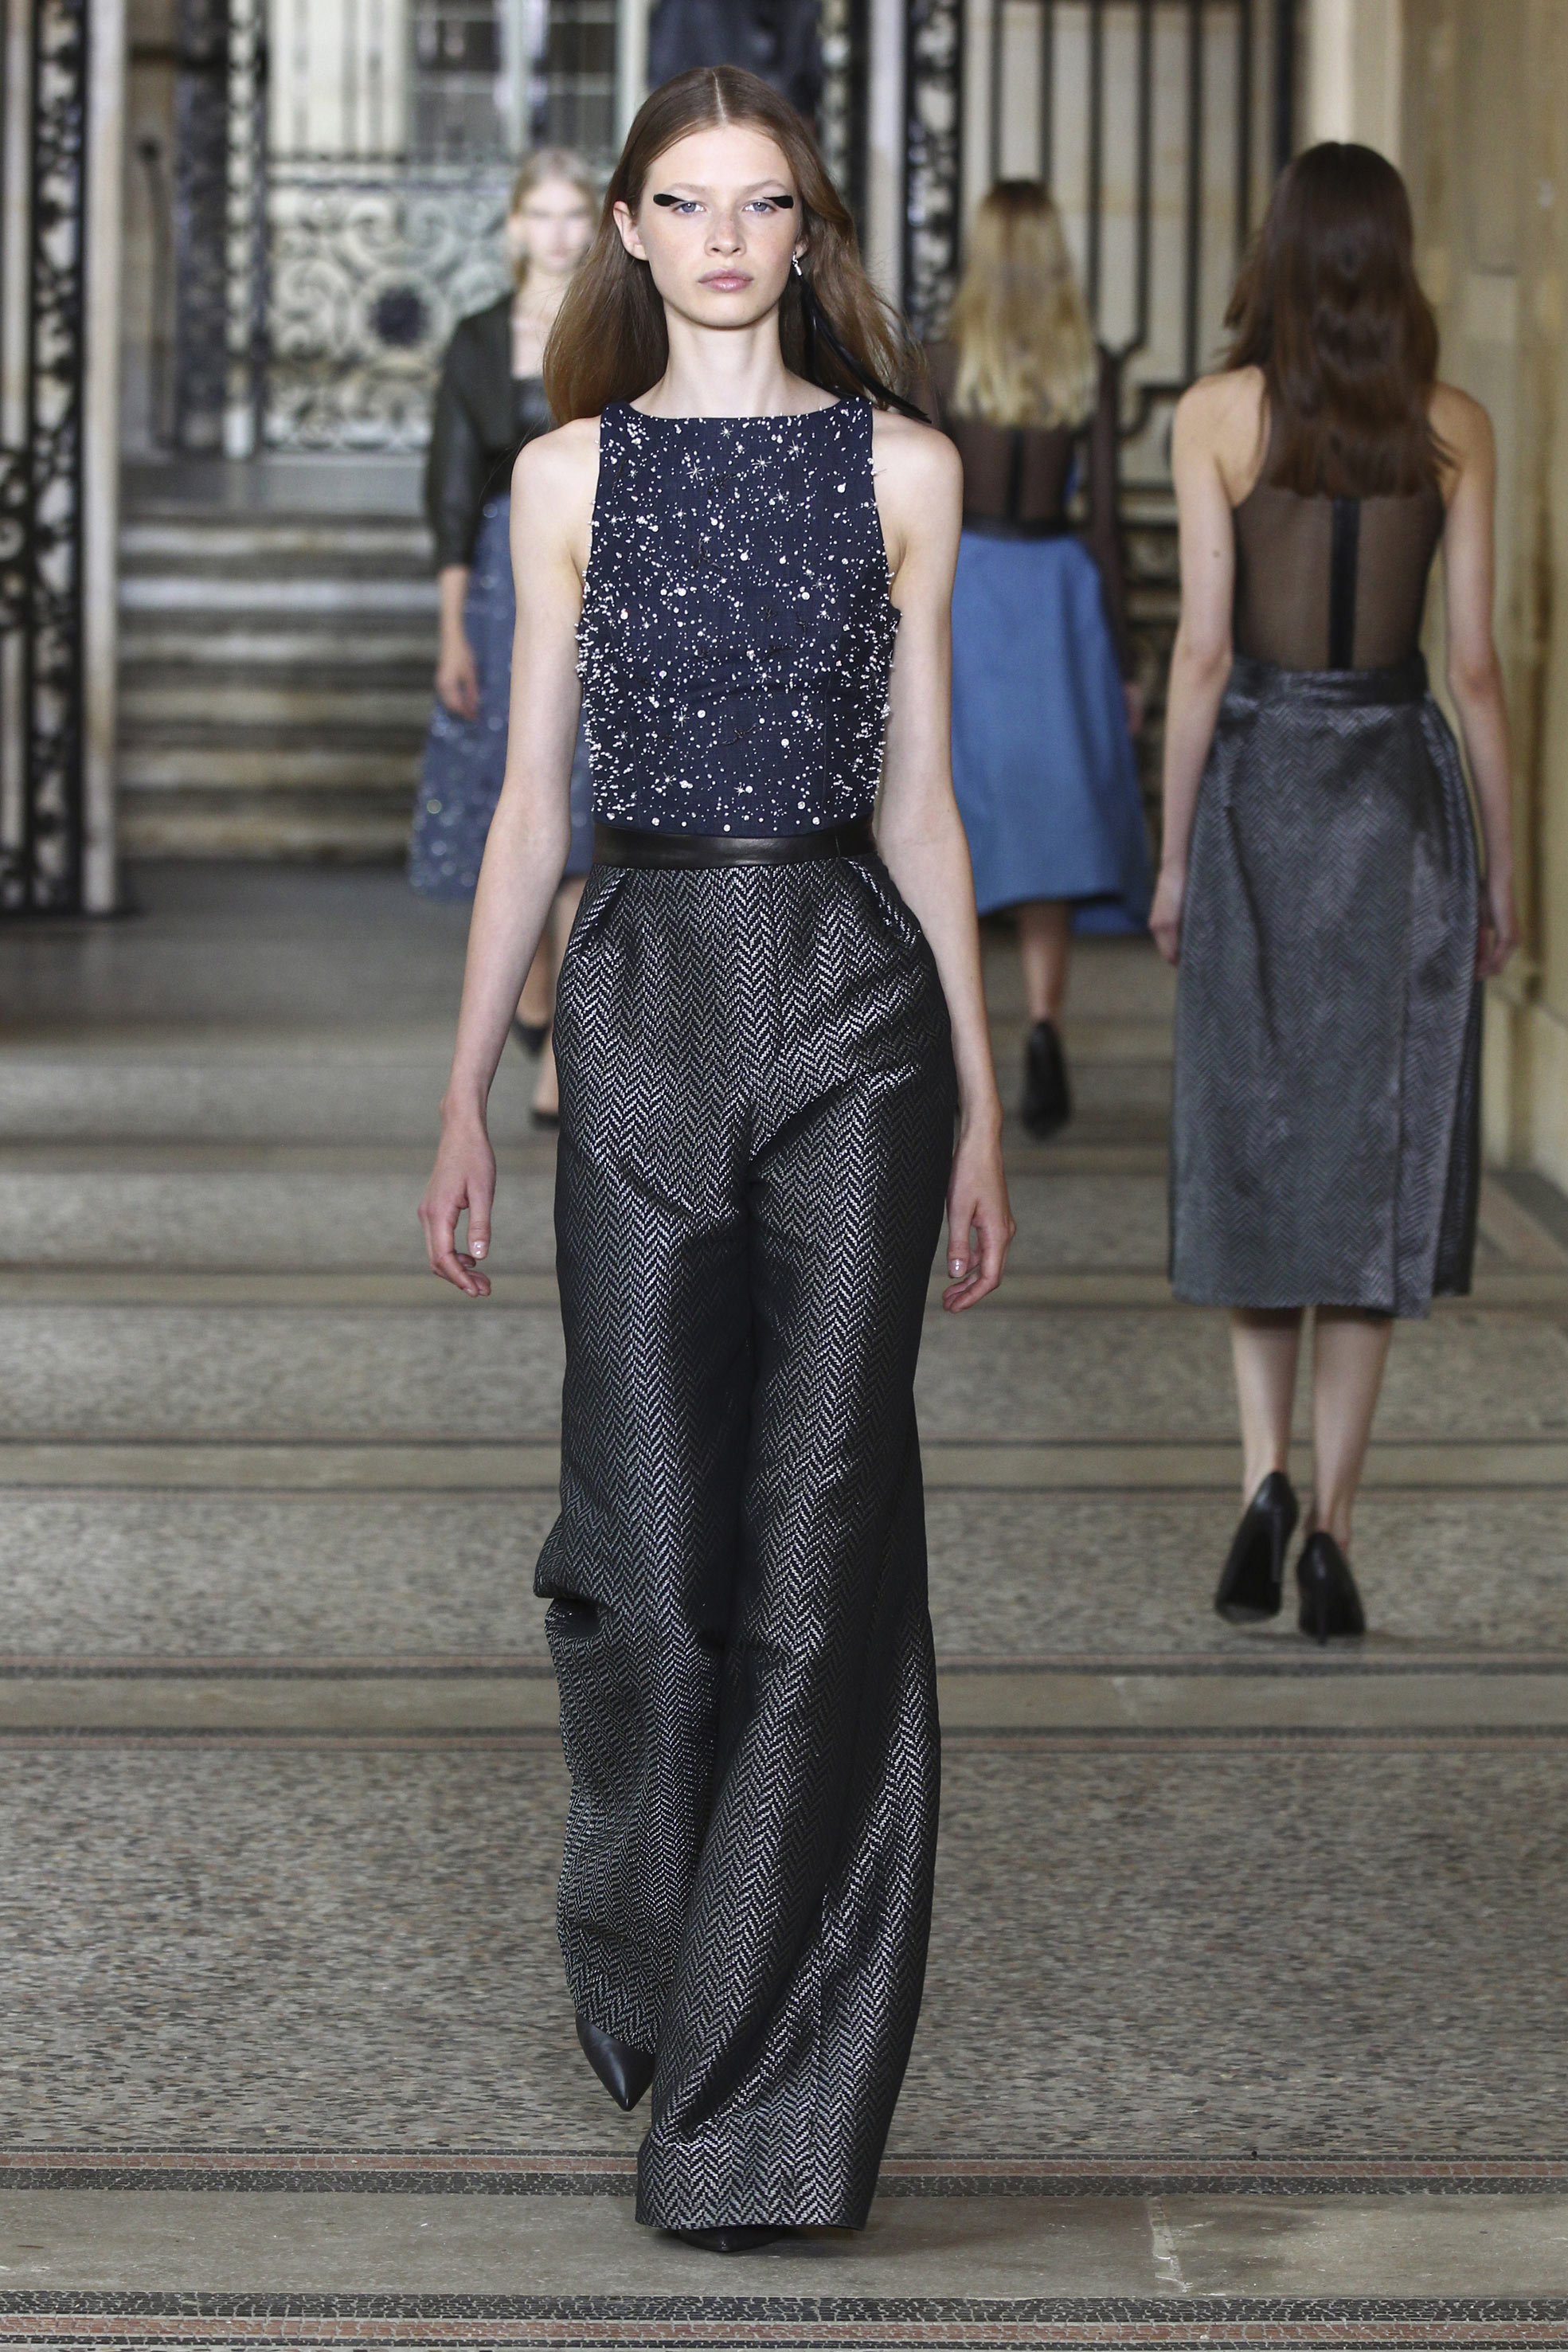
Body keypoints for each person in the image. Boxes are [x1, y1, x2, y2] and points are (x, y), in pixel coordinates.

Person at [419, 65, 1013, 2249]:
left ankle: (767, 2105)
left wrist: (976, 1105)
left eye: (766, 203)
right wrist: (462, 1088)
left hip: (853, 1005)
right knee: (655, 1539)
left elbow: (928, 807)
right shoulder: (566, 475)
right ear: (631, 231)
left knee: (823, 1535)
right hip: (643, 1001)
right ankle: (659, 1949)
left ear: (806, 230)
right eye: (688, 201)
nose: (729, 238)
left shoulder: (908, 472)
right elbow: (530, 813)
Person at [1155, 143, 1518, 1642]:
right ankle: (1332, 1527)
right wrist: (1501, 869)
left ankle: (1258, 1477)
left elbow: (1199, 653)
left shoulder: (1213, 416)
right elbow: (1475, 670)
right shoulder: (1453, 426)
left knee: (1258, 1141)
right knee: (1371, 1165)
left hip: (1258, 788)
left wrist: (1171, 855)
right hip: (1395, 799)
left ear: (1280, 252)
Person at [926, 182, 1149, 1139]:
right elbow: (1105, 525)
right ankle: (1046, 1023)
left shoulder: (940, 360)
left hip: (968, 587)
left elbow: (917, 498)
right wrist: (1127, 657)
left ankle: (955, 1041)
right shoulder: (1084, 363)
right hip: (1056, 594)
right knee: (1050, 822)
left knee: (954, 813)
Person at [411, 149, 596, 1126]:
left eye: (575, 214)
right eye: (544, 214)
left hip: (598, 572)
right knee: (513, 801)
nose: (560, 233)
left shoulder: (619, 330)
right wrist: (453, 631)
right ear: (516, 225)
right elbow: (448, 491)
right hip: (498, 585)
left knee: (579, 815)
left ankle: (561, 1057)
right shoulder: (479, 340)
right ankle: (530, 985)